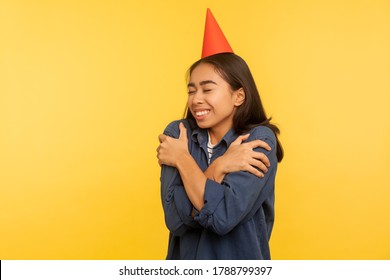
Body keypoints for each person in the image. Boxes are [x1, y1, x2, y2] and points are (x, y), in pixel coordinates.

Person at [157, 9, 284, 260]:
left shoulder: (258, 141)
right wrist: (220, 167)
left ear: (239, 95)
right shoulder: (177, 134)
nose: (196, 99)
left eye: (207, 89)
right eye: (192, 91)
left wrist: (182, 160)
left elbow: (223, 218)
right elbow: (175, 220)